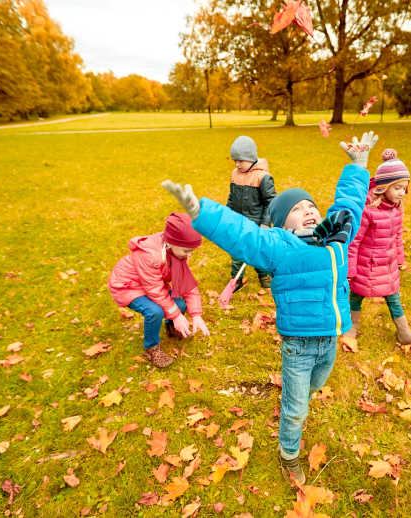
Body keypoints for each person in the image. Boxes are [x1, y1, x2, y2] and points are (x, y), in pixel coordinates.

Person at [162, 132, 378, 486]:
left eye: (311, 206)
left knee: (314, 387)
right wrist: (203, 212)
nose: (308, 211)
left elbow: (349, 204)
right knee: (296, 409)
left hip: (330, 342)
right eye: (296, 210)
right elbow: (242, 234)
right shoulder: (279, 247)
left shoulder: (337, 239)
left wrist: (358, 166)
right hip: (298, 346)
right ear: (282, 225)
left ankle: (297, 398)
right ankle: (288, 453)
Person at [345, 149, 411, 346]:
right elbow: (354, 241)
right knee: (357, 295)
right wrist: (351, 268)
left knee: (393, 297)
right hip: (367, 264)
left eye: (404, 188)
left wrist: (399, 259)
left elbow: (397, 235)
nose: (402, 192)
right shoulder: (369, 210)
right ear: (383, 187)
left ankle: (404, 332)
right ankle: (351, 327)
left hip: (387, 264)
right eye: (397, 188)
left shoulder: (396, 208)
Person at [108, 213, 210, 368]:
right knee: (154, 311)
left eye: (192, 251)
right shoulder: (151, 256)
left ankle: (172, 327)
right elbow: (154, 290)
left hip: (151, 285)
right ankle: (151, 348)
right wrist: (176, 315)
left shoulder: (177, 252)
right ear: (171, 243)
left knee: (180, 304)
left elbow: (187, 285)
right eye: (186, 251)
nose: (189, 255)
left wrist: (196, 315)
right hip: (128, 286)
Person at [226, 135, 277, 290]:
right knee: (237, 251)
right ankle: (236, 280)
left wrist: (265, 223)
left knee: (257, 252)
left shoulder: (263, 177)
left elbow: (271, 202)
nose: (237, 164)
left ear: (251, 159)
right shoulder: (235, 174)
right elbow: (232, 197)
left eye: (241, 161)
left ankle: (264, 276)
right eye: (235, 161)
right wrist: (227, 214)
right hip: (238, 221)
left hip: (256, 223)